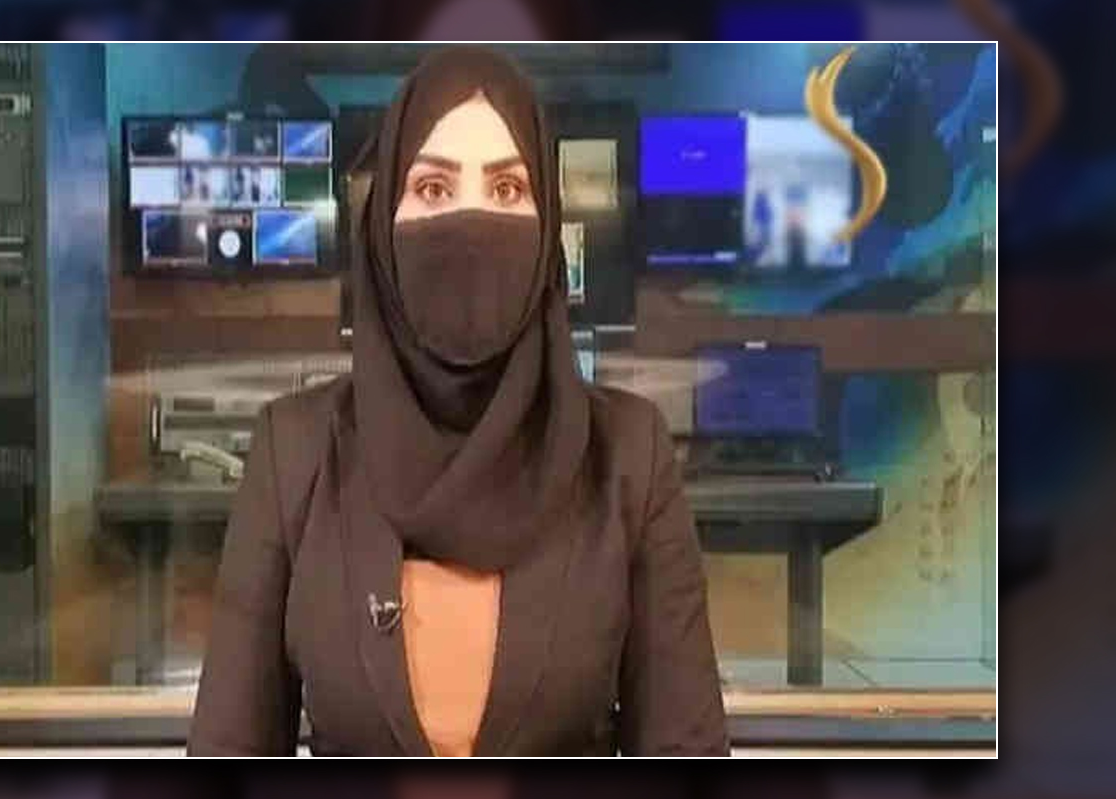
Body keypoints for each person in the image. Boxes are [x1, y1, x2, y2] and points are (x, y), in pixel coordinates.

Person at [188, 46, 728, 757]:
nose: (471, 221)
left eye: (505, 189)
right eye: (434, 188)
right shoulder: (295, 453)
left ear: (547, 230)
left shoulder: (629, 455)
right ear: (383, 225)